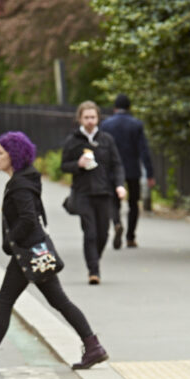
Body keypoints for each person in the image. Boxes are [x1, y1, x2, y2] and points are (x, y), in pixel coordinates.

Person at [0, 131, 109, 373]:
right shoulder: (24, 179)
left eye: (0, 153)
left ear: (13, 156)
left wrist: (11, 238)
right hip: (32, 250)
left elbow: (29, 218)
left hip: (28, 252)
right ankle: (92, 345)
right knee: (55, 301)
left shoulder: (20, 185)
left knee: (7, 301)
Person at [61, 100, 127, 285]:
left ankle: (94, 259)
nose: (90, 121)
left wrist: (120, 185)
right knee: (89, 233)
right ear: (80, 119)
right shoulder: (73, 141)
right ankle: (93, 270)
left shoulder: (106, 139)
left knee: (103, 234)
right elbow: (64, 165)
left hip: (104, 192)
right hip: (83, 193)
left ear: (98, 118)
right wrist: (78, 164)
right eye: (86, 117)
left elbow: (117, 164)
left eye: (93, 117)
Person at [100, 93, 156, 249]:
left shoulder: (106, 125)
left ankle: (117, 223)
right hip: (132, 169)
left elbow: (102, 149)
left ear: (115, 108)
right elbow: (144, 150)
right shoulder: (136, 124)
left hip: (112, 169)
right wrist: (150, 174)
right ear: (129, 107)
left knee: (114, 201)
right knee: (133, 203)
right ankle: (130, 237)